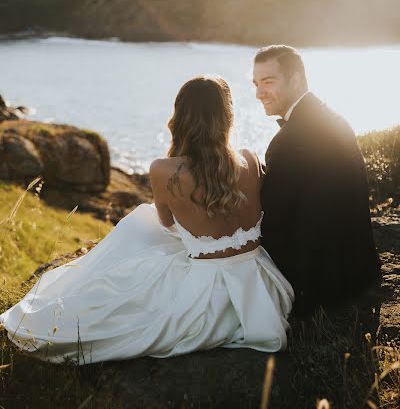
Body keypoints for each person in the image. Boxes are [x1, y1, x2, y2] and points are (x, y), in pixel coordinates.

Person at [0, 76, 294, 365]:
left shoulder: (164, 170)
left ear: (180, 118)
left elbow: (166, 223)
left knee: (139, 224)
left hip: (207, 300)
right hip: (263, 286)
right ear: (227, 117)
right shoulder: (249, 158)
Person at [253, 45, 381, 317]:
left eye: (268, 82)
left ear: (297, 80)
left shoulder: (287, 141)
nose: (259, 93)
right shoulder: (330, 116)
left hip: (323, 284)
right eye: (256, 84)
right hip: (357, 268)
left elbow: (275, 224)